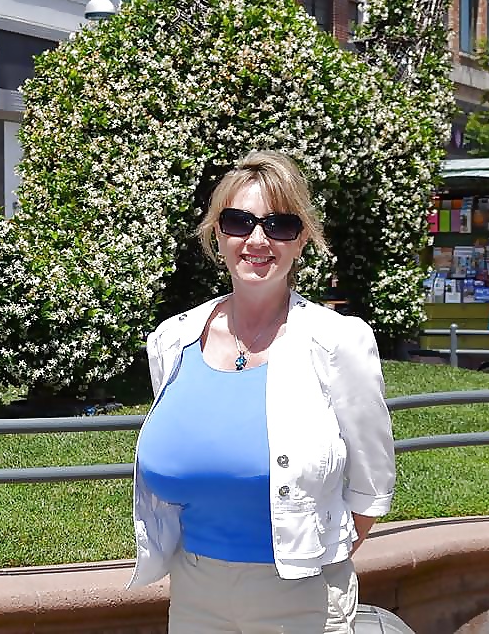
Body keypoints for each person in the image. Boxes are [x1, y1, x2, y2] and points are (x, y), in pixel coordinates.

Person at [129, 150, 395, 633]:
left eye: (279, 225)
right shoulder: (173, 339)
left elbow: (371, 487)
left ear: (302, 239)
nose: (257, 240)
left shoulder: (337, 341)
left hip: (300, 595)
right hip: (193, 590)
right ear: (217, 233)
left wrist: (316, 561)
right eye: (238, 222)